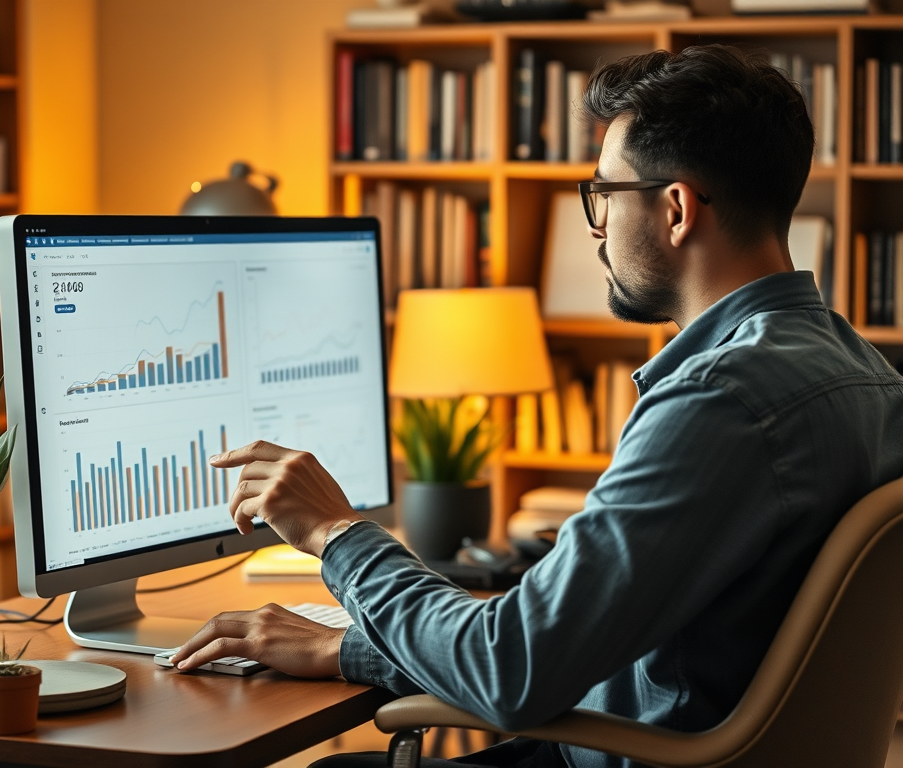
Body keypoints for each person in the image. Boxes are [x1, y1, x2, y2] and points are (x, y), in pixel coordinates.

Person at [168, 45, 903, 768]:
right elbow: (593, 638)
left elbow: (510, 670)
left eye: (604, 194)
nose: (594, 226)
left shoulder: (719, 401)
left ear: (676, 208)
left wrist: (337, 530)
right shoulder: (864, 372)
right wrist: (354, 648)